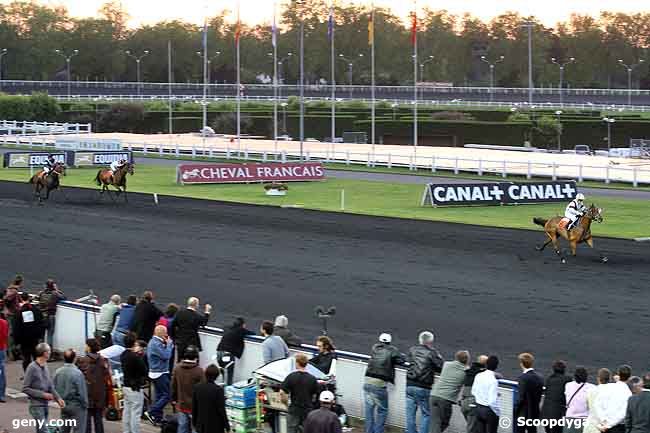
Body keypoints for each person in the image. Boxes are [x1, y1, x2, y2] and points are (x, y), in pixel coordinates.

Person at [364, 333, 406, 433]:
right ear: (389, 342)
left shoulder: (374, 348)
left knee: (369, 412)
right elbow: (402, 360)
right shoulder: (392, 350)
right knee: (382, 411)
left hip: (367, 382)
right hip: (379, 385)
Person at [405, 331, 444, 433]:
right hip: (423, 386)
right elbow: (440, 367)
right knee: (426, 414)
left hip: (409, 385)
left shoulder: (412, 349)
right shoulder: (432, 352)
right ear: (430, 341)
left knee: (410, 414)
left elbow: (409, 361)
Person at [22, 343, 66, 433]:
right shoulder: (32, 367)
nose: (50, 353)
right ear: (45, 353)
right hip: (36, 405)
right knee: (43, 430)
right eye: (49, 351)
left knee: (41, 429)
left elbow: (50, 385)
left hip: (45, 404)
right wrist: (43, 395)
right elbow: (25, 388)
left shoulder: (45, 366)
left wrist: (58, 398)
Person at [76, 338, 111, 433]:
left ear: (89, 347)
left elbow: (76, 376)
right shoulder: (103, 360)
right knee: (98, 419)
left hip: (87, 393)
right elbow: (107, 377)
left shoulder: (82, 360)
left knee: (86, 420)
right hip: (100, 394)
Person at [430, 351, 470, 433]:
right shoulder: (466, 371)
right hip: (445, 399)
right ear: (467, 360)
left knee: (435, 422)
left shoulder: (446, 364)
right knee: (443, 422)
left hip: (434, 396)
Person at [281, 353, 320, 433]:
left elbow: (282, 392)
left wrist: (286, 404)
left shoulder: (291, 376)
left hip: (294, 410)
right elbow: (315, 395)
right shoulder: (312, 379)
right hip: (307, 411)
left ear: (297, 363)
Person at [145, 325, 174, 425]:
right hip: (159, 373)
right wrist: (169, 345)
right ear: (161, 333)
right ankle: (151, 411)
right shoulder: (155, 344)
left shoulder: (155, 342)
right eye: (165, 332)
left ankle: (157, 418)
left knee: (159, 396)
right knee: (167, 395)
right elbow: (167, 355)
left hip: (157, 372)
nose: (167, 335)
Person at [53, 349, 88, 433]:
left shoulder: (58, 372)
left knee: (64, 429)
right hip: (77, 405)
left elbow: (53, 388)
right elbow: (81, 392)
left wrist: (58, 400)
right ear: (74, 358)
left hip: (64, 404)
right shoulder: (77, 373)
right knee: (79, 430)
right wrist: (85, 404)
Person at [172, 345, 204, 433]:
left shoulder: (177, 368)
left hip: (182, 404)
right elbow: (203, 389)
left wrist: (174, 399)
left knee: (182, 427)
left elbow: (173, 386)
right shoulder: (199, 371)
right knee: (195, 428)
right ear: (196, 357)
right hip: (195, 406)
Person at [120, 332, 148, 433]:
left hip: (126, 385)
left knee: (127, 411)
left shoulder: (123, 354)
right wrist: (139, 355)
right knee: (136, 413)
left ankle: (126, 431)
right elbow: (144, 371)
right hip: (135, 387)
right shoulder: (135, 357)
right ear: (134, 343)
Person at [216, 317, 255, 384]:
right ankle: (227, 391)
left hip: (219, 352)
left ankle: (222, 388)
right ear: (242, 325)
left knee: (223, 374)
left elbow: (224, 327)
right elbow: (253, 333)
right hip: (228, 355)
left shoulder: (228, 328)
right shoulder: (241, 330)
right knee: (229, 375)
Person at [192, 364, 230, 433]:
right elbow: (221, 410)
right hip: (215, 425)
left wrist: (194, 423)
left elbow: (194, 407)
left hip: (201, 424)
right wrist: (227, 426)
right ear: (217, 376)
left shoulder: (197, 387)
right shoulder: (218, 390)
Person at [594, 365, 632, 433]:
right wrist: (608, 424)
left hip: (604, 426)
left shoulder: (607, 387)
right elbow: (623, 414)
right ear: (629, 377)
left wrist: (603, 420)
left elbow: (597, 404)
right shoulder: (628, 394)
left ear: (618, 374)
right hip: (616, 428)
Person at [171, 297, 211, 362]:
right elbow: (204, 323)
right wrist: (207, 312)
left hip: (181, 342)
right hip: (192, 343)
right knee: (193, 362)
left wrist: (174, 337)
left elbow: (173, 325)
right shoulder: (197, 316)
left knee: (180, 361)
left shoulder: (180, 313)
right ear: (196, 305)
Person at [14, 292, 45, 371]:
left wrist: (17, 342)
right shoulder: (36, 310)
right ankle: (38, 373)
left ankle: (28, 375)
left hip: (24, 340)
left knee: (26, 358)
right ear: (29, 298)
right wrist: (40, 336)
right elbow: (41, 323)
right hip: (35, 338)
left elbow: (17, 328)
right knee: (36, 357)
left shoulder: (19, 312)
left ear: (21, 299)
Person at [540, 360, 572, 433]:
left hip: (546, 413)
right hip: (557, 415)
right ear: (564, 369)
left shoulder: (549, 379)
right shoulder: (567, 379)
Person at [471, 355, 500, 433]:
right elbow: (492, 401)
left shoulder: (478, 376)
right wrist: (498, 412)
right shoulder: (493, 381)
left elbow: (473, 391)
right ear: (496, 366)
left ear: (486, 364)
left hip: (479, 408)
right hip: (489, 411)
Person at [37, 279, 66, 353]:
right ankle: (49, 354)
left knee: (41, 336)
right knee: (50, 335)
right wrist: (57, 289)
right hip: (50, 316)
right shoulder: (55, 293)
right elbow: (64, 297)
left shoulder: (41, 293)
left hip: (41, 316)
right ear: (53, 286)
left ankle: (40, 352)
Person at [564, 366, 596, 433]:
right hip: (585, 421)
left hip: (570, 420)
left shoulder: (568, 385)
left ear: (575, 376)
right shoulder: (592, 387)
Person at [461, 355, 488, 433]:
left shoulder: (468, 370)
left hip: (464, 402)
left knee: (473, 427)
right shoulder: (483, 373)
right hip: (473, 403)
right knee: (473, 429)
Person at [583, 368, 611, 433]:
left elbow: (587, 407)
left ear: (598, 378)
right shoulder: (611, 393)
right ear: (609, 379)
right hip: (601, 427)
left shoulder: (590, 391)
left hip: (589, 426)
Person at [0, 312, 9, 402]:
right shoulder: (4, 323)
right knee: (1, 372)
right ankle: (1, 394)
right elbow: (6, 336)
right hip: (1, 348)